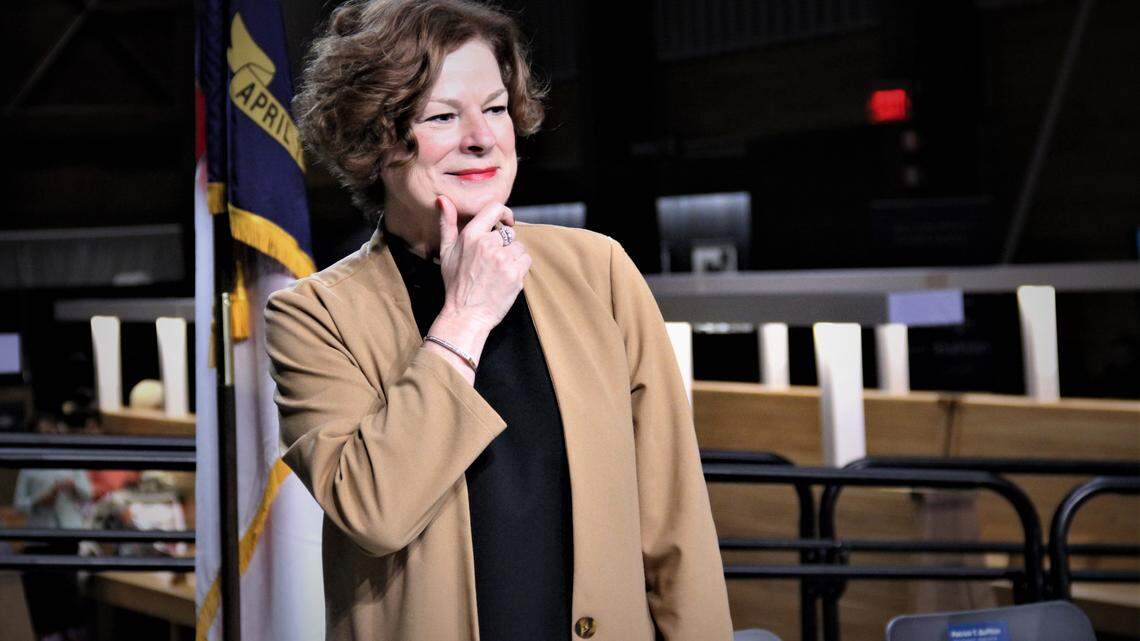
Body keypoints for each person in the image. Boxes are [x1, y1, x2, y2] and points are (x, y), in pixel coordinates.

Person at [267, 1, 733, 639]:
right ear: (372, 137)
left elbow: (675, 522)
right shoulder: (316, 315)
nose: (481, 137)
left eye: (493, 108)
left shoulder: (599, 271)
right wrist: (466, 315)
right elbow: (373, 511)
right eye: (442, 116)